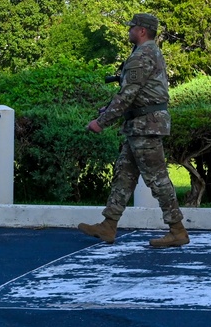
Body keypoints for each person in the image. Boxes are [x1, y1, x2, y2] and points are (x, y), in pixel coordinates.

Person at [78, 13, 189, 248]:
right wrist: (107, 108)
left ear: (141, 31)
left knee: (157, 179)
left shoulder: (143, 55)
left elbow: (128, 95)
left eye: (132, 28)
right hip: (139, 125)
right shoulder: (147, 53)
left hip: (145, 126)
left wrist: (102, 121)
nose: (129, 31)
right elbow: (134, 92)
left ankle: (177, 230)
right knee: (124, 176)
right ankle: (108, 225)